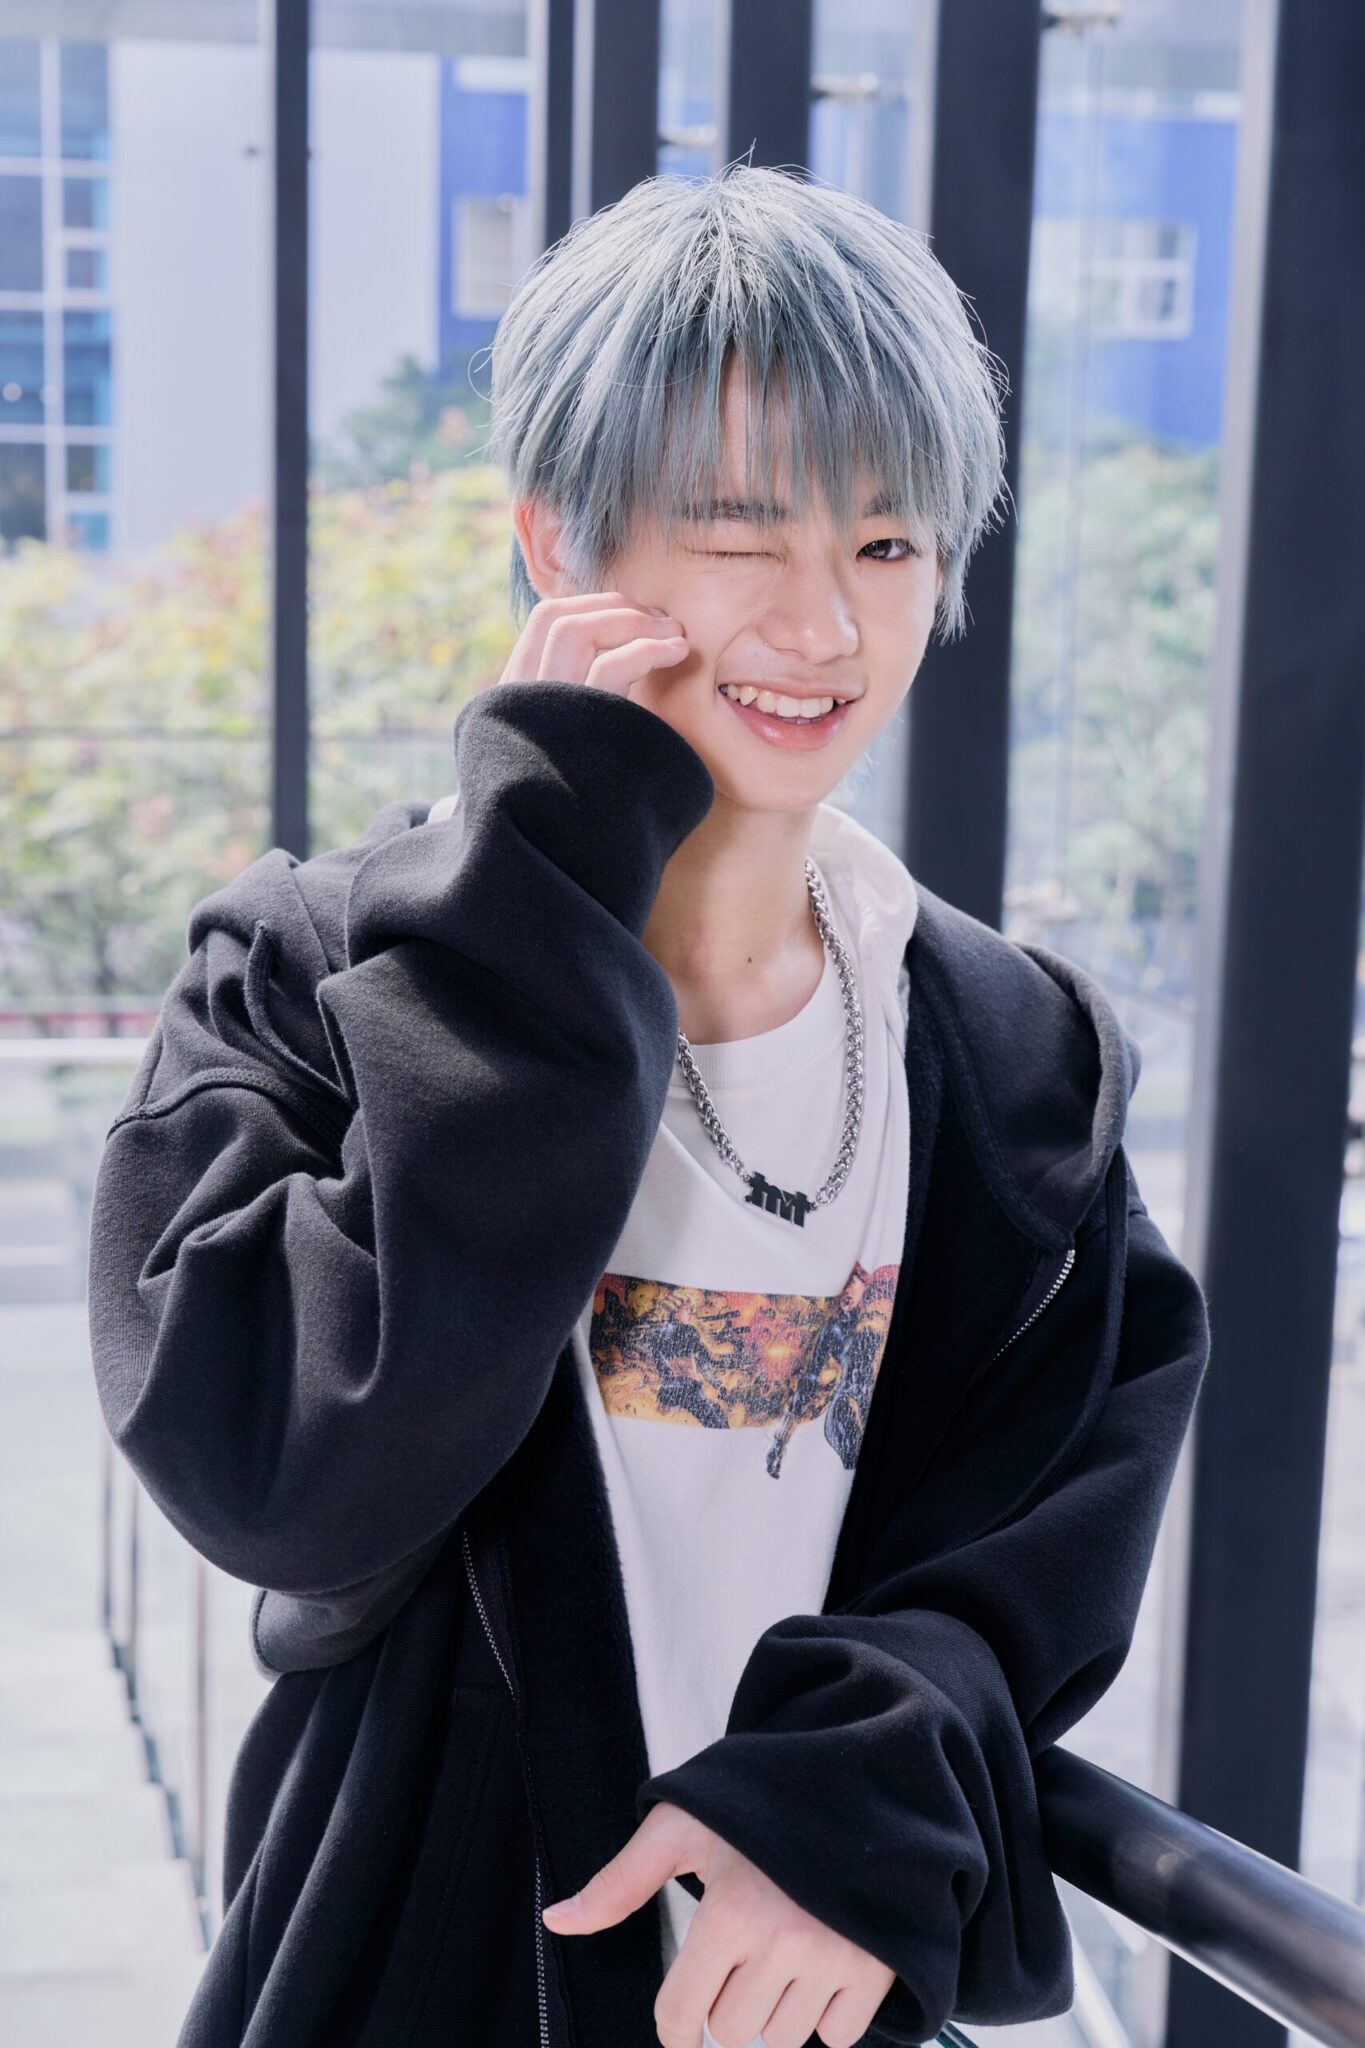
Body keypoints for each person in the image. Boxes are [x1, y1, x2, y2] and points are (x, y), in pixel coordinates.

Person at [87, 160, 1211, 2048]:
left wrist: (843, 1804)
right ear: (558, 540)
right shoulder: (307, 976)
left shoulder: (1020, 1058)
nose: (822, 626)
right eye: (739, 530)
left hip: (813, 1989)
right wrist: (534, 901)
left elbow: (1038, 1557)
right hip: (426, 1972)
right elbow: (284, 1479)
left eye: (885, 544)